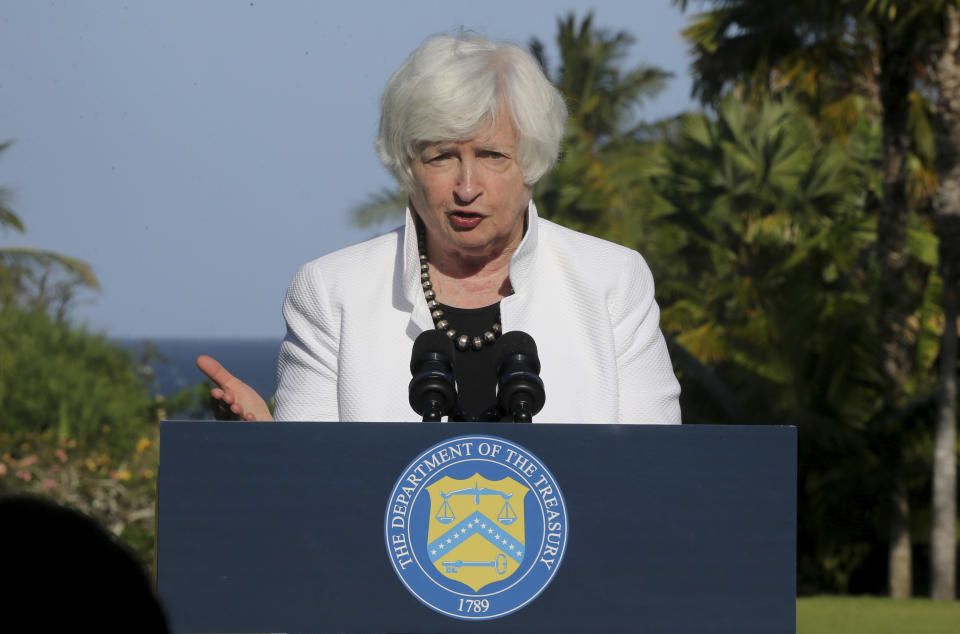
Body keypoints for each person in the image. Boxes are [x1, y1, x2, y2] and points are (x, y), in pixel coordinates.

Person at [198, 32, 681, 425]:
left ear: (530, 161)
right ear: (407, 165)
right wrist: (263, 449)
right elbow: (317, 488)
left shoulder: (611, 281)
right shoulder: (331, 293)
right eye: (442, 157)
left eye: (492, 156)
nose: (466, 186)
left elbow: (651, 474)